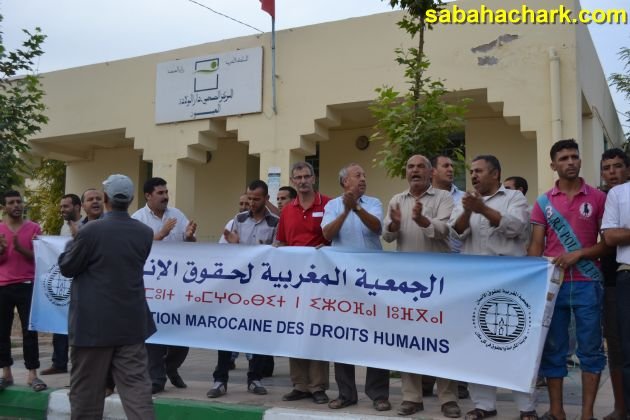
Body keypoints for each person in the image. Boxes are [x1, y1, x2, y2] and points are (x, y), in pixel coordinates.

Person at [58, 174, 156, 419]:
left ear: (105, 198)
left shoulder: (89, 231)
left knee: (86, 394)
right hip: (131, 324)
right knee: (137, 391)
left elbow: (68, 267)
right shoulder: (144, 232)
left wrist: (74, 241)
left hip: (92, 327)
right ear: (131, 199)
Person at [450, 155, 534, 420]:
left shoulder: (514, 197)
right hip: (474, 283)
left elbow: (516, 227)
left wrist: (483, 209)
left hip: (510, 283)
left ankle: (526, 407)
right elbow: (456, 232)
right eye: (472, 172)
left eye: (479, 171)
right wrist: (468, 210)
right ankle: (484, 404)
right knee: (476, 344)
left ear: (495, 174)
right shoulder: (465, 201)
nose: (473, 175)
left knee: (515, 343)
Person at [528, 139, 608, 420]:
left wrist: (580, 254)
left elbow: (607, 243)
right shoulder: (543, 202)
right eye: (563, 158)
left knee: (591, 349)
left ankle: (587, 415)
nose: (570, 162)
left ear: (580, 160)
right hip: (553, 285)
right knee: (553, 348)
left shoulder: (598, 198)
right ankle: (557, 411)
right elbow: (536, 246)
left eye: (574, 156)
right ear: (553, 165)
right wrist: (533, 282)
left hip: (588, 282)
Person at [383, 155, 460, 417]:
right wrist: (394, 224)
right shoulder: (397, 199)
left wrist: (422, 220)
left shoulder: (443, 197)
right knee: (409, 341)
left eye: (420, 167)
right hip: (407, 283)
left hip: (438, 282)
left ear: (430, 173)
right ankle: (411, 397)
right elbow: (387, 235)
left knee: (442, 341)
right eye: (410, 167)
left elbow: (445, 230)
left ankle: (448, 398)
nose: (414, 171)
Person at [321, 163, 391, 412]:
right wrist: (345, 211)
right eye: (357, 175)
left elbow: (377, 227)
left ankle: (378, 394)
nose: (363, 179)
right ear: (345, 182)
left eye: (364, 175)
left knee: (377, 336)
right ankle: (346, 394)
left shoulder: (373, 202)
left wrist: (357, 208)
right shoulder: (332, 206)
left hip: (372, 280)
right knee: (342, 336)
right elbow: (327, 235)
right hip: (343, 280)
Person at [207, 180, 278, 399]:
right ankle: (220, 379)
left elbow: (278, 253)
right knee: (227, 332)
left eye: (257, 199)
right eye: (250, 198)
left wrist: (262, 250)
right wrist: (235, 245)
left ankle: (255, 378)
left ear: (266, 199)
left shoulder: (275, 223)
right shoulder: (238, 220)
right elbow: (228, 253)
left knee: (257, 332)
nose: (252, 203)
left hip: (261, 289)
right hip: (237, 288)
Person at [132, 177, 197, 394]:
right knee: (155, 335)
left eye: (166, 192)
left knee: (181, 335)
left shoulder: (177, 215)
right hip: (151, 288)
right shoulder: (137, 219)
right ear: (148, 196)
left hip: (177, 287)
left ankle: (171, 367)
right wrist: (161, 234)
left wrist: (189, 237)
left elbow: (191, 244)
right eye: (160, 193)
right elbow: (135, 249)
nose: (165, 196)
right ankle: (156, 379)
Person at [276, 161, 331, 405]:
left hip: (321, 280)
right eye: (297, 178)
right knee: (295, 331)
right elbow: (282, 242)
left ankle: (318, 386)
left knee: (316, 332)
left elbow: (335, 238)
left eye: (306, 176)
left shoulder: (328, 204)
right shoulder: (287, 210)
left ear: (314, 178)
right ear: (292, 181)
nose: (302, 181)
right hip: (294, 281)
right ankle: (299, 385)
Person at [0, 191, 47, 392]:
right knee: (2, 331)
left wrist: (20, 248)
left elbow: (41, 257)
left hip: (28, 284)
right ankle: (6, 373)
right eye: (11, 202)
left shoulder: (34, 228)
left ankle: (32, 374)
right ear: (4, 207)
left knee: (30, 330)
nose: (16, 205)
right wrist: (2, 251)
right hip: (3, 285)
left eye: (19, 201)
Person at [600, 148, 629, 420]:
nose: (612, 172)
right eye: (607, 168)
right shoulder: (600, 198)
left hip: (621, 276)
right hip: (609, 280)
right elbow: (607, 238)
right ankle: (621, 407)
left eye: (618, 166)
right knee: (618, 347)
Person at [41, 194, 82, 376]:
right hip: (64, 281)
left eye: (66, 206)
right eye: (61, 207)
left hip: (81, 282)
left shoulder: (87, 225)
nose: (62, 210)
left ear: (77, 207)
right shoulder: (64, 228)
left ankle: (79, 366)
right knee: (60, 321)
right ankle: (59, 362)